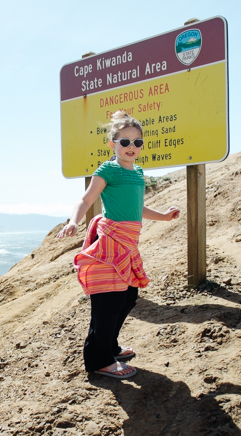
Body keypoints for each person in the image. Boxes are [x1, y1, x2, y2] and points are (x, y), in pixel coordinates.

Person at [56, 111, 180, 380]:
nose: (131, 148)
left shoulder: (137, 173)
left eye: (137, 142)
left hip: (128, 244)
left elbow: (138, 207)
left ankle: (108, 346)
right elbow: (87, 199)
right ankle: (99, 360)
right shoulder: (107, 169)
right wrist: (74, 222)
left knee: (128, 297)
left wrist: (163, 216)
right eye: (125, 142)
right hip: (110, 244)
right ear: (113, 144)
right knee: (108, 302)